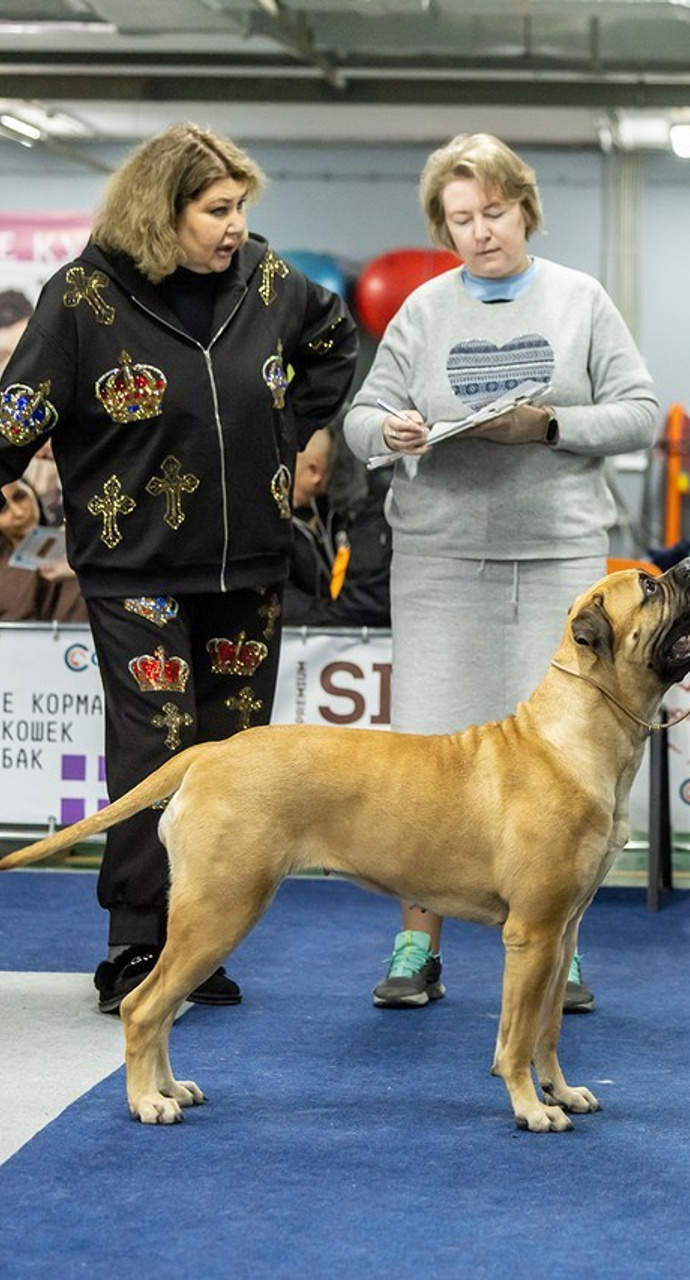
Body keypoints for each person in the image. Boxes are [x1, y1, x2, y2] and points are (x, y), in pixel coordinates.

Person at [0, 124, 358, 1013]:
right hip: (138, 569)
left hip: (251, 570)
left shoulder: (267, 279)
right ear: (163, 212)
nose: (237, 225)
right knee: (156, 749)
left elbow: (335, 343)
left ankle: (196, 942)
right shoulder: (82, 296)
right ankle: (135, 941)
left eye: (241, 207)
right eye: (217, 209)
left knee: (231, 766)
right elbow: (15, 416)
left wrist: (283, 430)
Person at [344, 133, 659, 1013]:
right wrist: (390, 431)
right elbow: (362, 421)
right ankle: (417, 943)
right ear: (442, 228)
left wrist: (548, 426)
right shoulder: (422, 310)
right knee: (426, 765)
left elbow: (639, 412)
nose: (480, 232)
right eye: (461, 219)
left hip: (559, 562)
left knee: (564, 768)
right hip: (440, 563)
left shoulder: (581, 299)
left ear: (525, 208)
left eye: (494, 212)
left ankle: (561, 945)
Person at [283, 426, 392, 628]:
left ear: (314, 471)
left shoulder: (361, 510)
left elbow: (367, 604)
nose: (281, 485)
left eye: (288, 472)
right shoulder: (316, 511)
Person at [0, 476, 87, 621]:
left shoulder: (75, 547)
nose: (19, 513)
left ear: (32, 493)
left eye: (20, 497)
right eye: (3, 510)